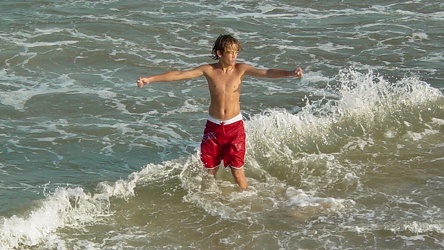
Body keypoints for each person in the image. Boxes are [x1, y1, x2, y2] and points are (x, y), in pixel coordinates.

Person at [137, 34, 302, 190]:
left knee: (237, 173)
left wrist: (290, 73)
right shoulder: (208, 70)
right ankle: (211, 207)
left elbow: (267, 72)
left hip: (234, 128)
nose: (234, 56)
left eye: (236, 52)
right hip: (214, 128)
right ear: (219, 53)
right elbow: (180, 74)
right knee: (209, 173)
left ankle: (247, 203)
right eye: (230, 53)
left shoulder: (241, 69)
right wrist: (150, 79)